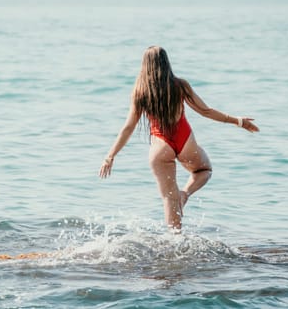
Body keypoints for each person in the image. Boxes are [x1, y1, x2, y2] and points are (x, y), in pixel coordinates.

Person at [99, 46, 259, 230]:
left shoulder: (140, 91)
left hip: (160, 145)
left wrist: (110, 156)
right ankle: (185, 195)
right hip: (185, 140)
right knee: (204, 170)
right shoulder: (180, 85)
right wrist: (238, 121)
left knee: (168, 198)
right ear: (166, 62)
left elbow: (128, 127)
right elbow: (205, 111)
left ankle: (174, 243)